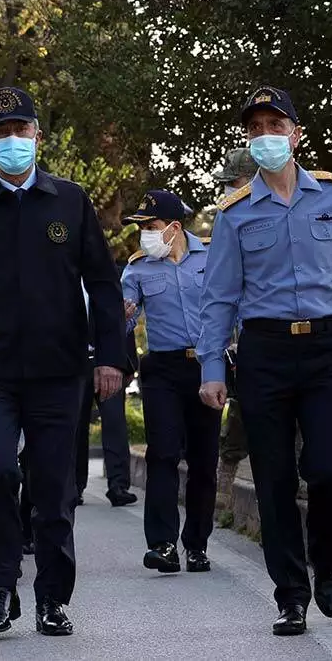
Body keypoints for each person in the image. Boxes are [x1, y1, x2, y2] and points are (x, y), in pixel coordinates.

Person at [0, 87, 126, 637]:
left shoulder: (70, 201)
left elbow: (104, 287)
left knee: (55, 488)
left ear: (38, 135)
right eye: (2, 132)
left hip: (61, 372)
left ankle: (53, 599)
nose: (14, 140)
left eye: (22, 129)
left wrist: (111, 358)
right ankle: (1, 586)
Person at [198, 86, 332, 636]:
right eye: (255, 129)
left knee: (331, 472)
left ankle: (324, 559)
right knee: (275, 477)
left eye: (275, 126)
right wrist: (213, 368)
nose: (265, 137)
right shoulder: (234, 214)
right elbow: (219, 297)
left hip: (328, 348)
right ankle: (291, 595)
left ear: (296, 135)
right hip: (264, 353)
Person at [121, 190, 221, 574]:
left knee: (203, 459)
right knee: (161, 453)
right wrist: (121, 317)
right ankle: (162, 544)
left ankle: (196, 543)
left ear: (174, 227)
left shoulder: (212, 257)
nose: (144, 235)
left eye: (151, 227)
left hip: (207, 365)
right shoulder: (138, 268)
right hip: (162, 369)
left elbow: (233, 302)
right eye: (141, 228)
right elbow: (126, 319)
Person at [210, 148, 258, 508]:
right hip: (246, 347)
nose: (228, 189)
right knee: (238, 424)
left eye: (234, 183)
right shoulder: (230, 221)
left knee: (298, 426)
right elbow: (219, 294)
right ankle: (222, 490)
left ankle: (302, 481)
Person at [75, 278, 139, 508]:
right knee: (75, 426)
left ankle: (118, 485)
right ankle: (75, 485)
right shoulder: (63, 273)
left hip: (108, 362)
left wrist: (128, 363)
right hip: (74, 363)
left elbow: (121, 322)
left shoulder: (108, 280)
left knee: (115, 422)